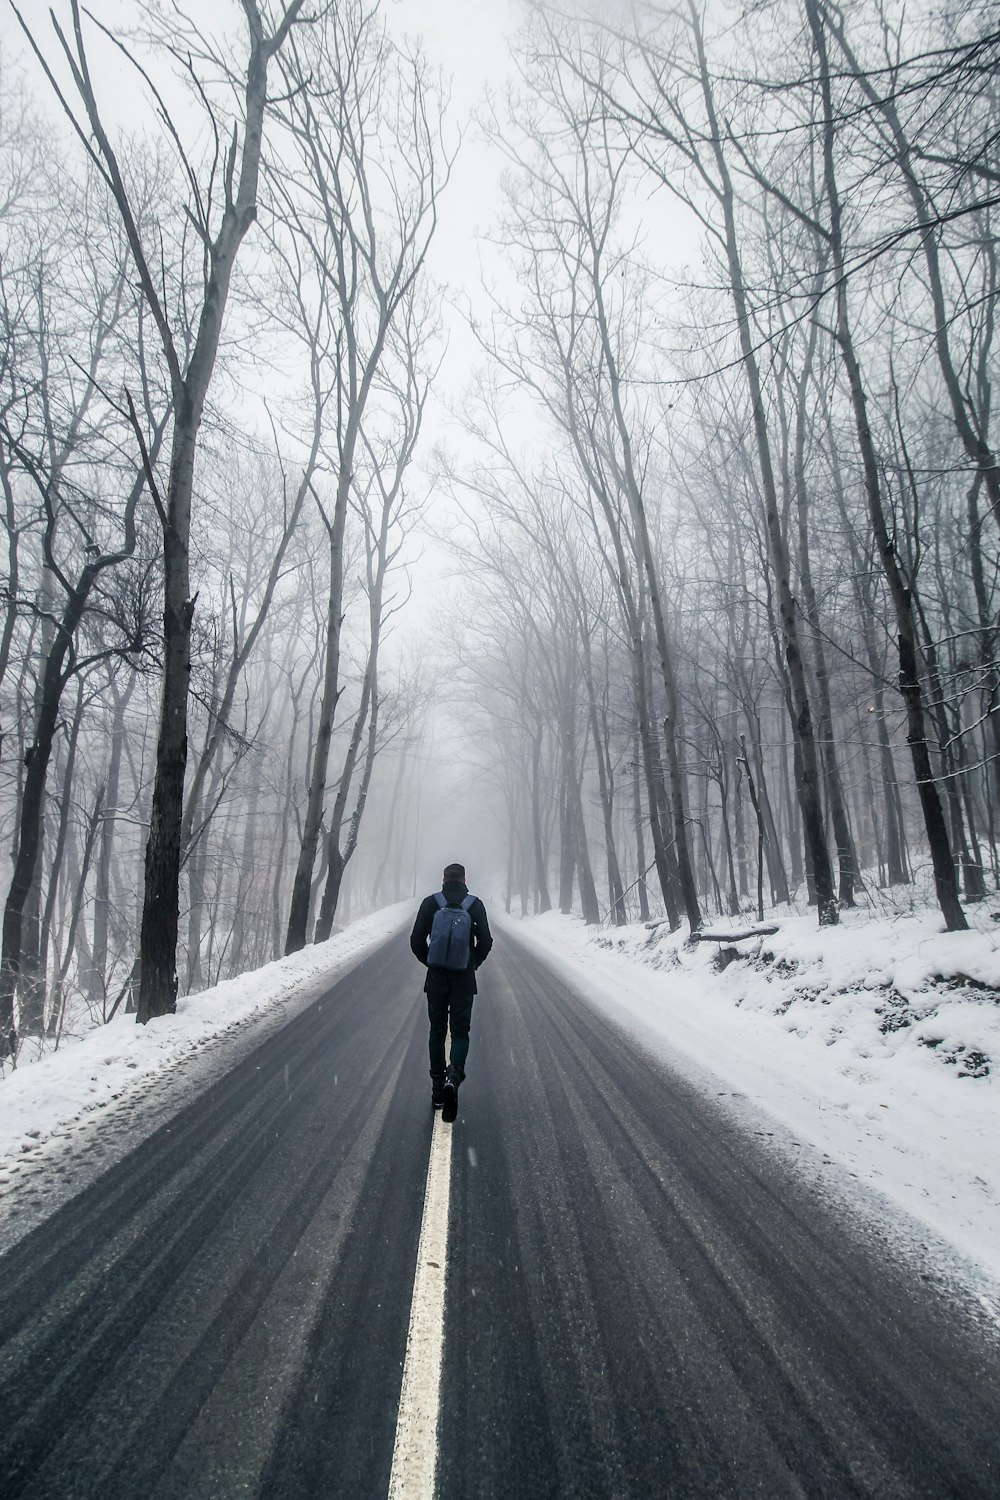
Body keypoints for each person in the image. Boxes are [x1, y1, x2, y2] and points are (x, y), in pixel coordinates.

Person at [410, 863, 493, 1121]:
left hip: (436, 980)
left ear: (443, 879)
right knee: (459, 1032)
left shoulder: (430, 903)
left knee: (437, 1032)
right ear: (465, 879)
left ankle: (437, 1090)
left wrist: (432, 962)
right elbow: (487, 942)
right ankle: (453, 1079)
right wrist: (471, 964)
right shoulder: (475, 905)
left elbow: (415, 941)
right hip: (463, 981)